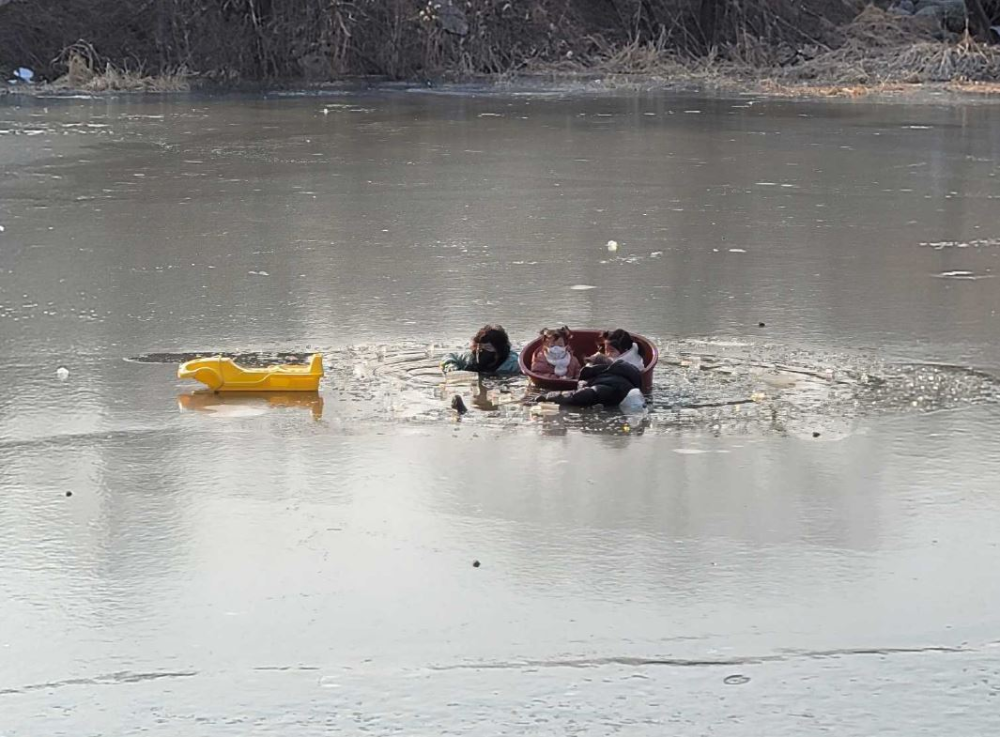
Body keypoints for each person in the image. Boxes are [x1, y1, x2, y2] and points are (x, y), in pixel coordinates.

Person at [537, 328, 644, 408]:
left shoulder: (609, 383)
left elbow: (581, 395)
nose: (607, 354)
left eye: (611, 351)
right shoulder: (627, 372)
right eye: (605, 351)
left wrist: (548, 397)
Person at [441, 324, 521, 375]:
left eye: (488, 348)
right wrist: (453, 369)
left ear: (499, 349)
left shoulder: (512, 364)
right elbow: (448, 357)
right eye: (480, 346)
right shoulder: (470, 358)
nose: (481, 351)